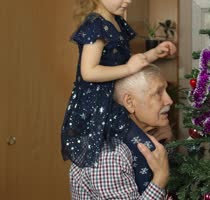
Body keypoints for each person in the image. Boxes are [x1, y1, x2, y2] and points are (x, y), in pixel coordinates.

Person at [61, 0, 176, 169]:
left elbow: (123, 59)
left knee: (143, 150)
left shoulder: (115, 22)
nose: (128, 0)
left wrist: (153, 53)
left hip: (114, 102)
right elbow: (89, 72)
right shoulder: (96, 25)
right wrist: (128, 68)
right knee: (131, 153)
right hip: (97, 107)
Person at [70, 64, 172, 199]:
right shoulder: (109, 154)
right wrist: (160, 178)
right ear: (129, 102)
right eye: (158, 93)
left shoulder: (142, 138)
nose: (169, 100)